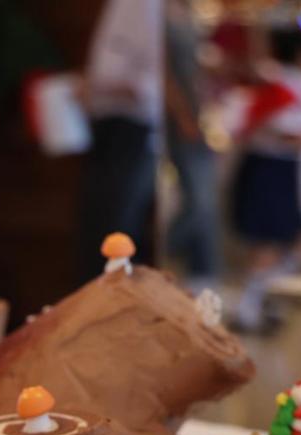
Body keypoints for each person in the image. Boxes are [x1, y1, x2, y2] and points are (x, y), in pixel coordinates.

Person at [229, 26, 301, 331]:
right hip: (272, 168)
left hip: (294, 169)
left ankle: (268, 296)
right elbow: (278, 129)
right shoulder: (280, 85)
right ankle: (250, 306)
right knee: (268, 242)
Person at [76, 0, 163, 283]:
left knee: (118, 223)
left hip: (133, 128)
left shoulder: (148, 5)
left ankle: (121, 301)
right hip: (108, 124)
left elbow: (153, 82)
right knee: (98, 223)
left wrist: (101, 84)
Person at [164, 0, 220, 292]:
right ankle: (161, 252)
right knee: (199, 200)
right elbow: (164, 73)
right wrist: (183, 115)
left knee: (206, 197)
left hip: (201, 114)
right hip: (180, 118)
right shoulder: (159, 14)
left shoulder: (189, 11)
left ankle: (203, 272)